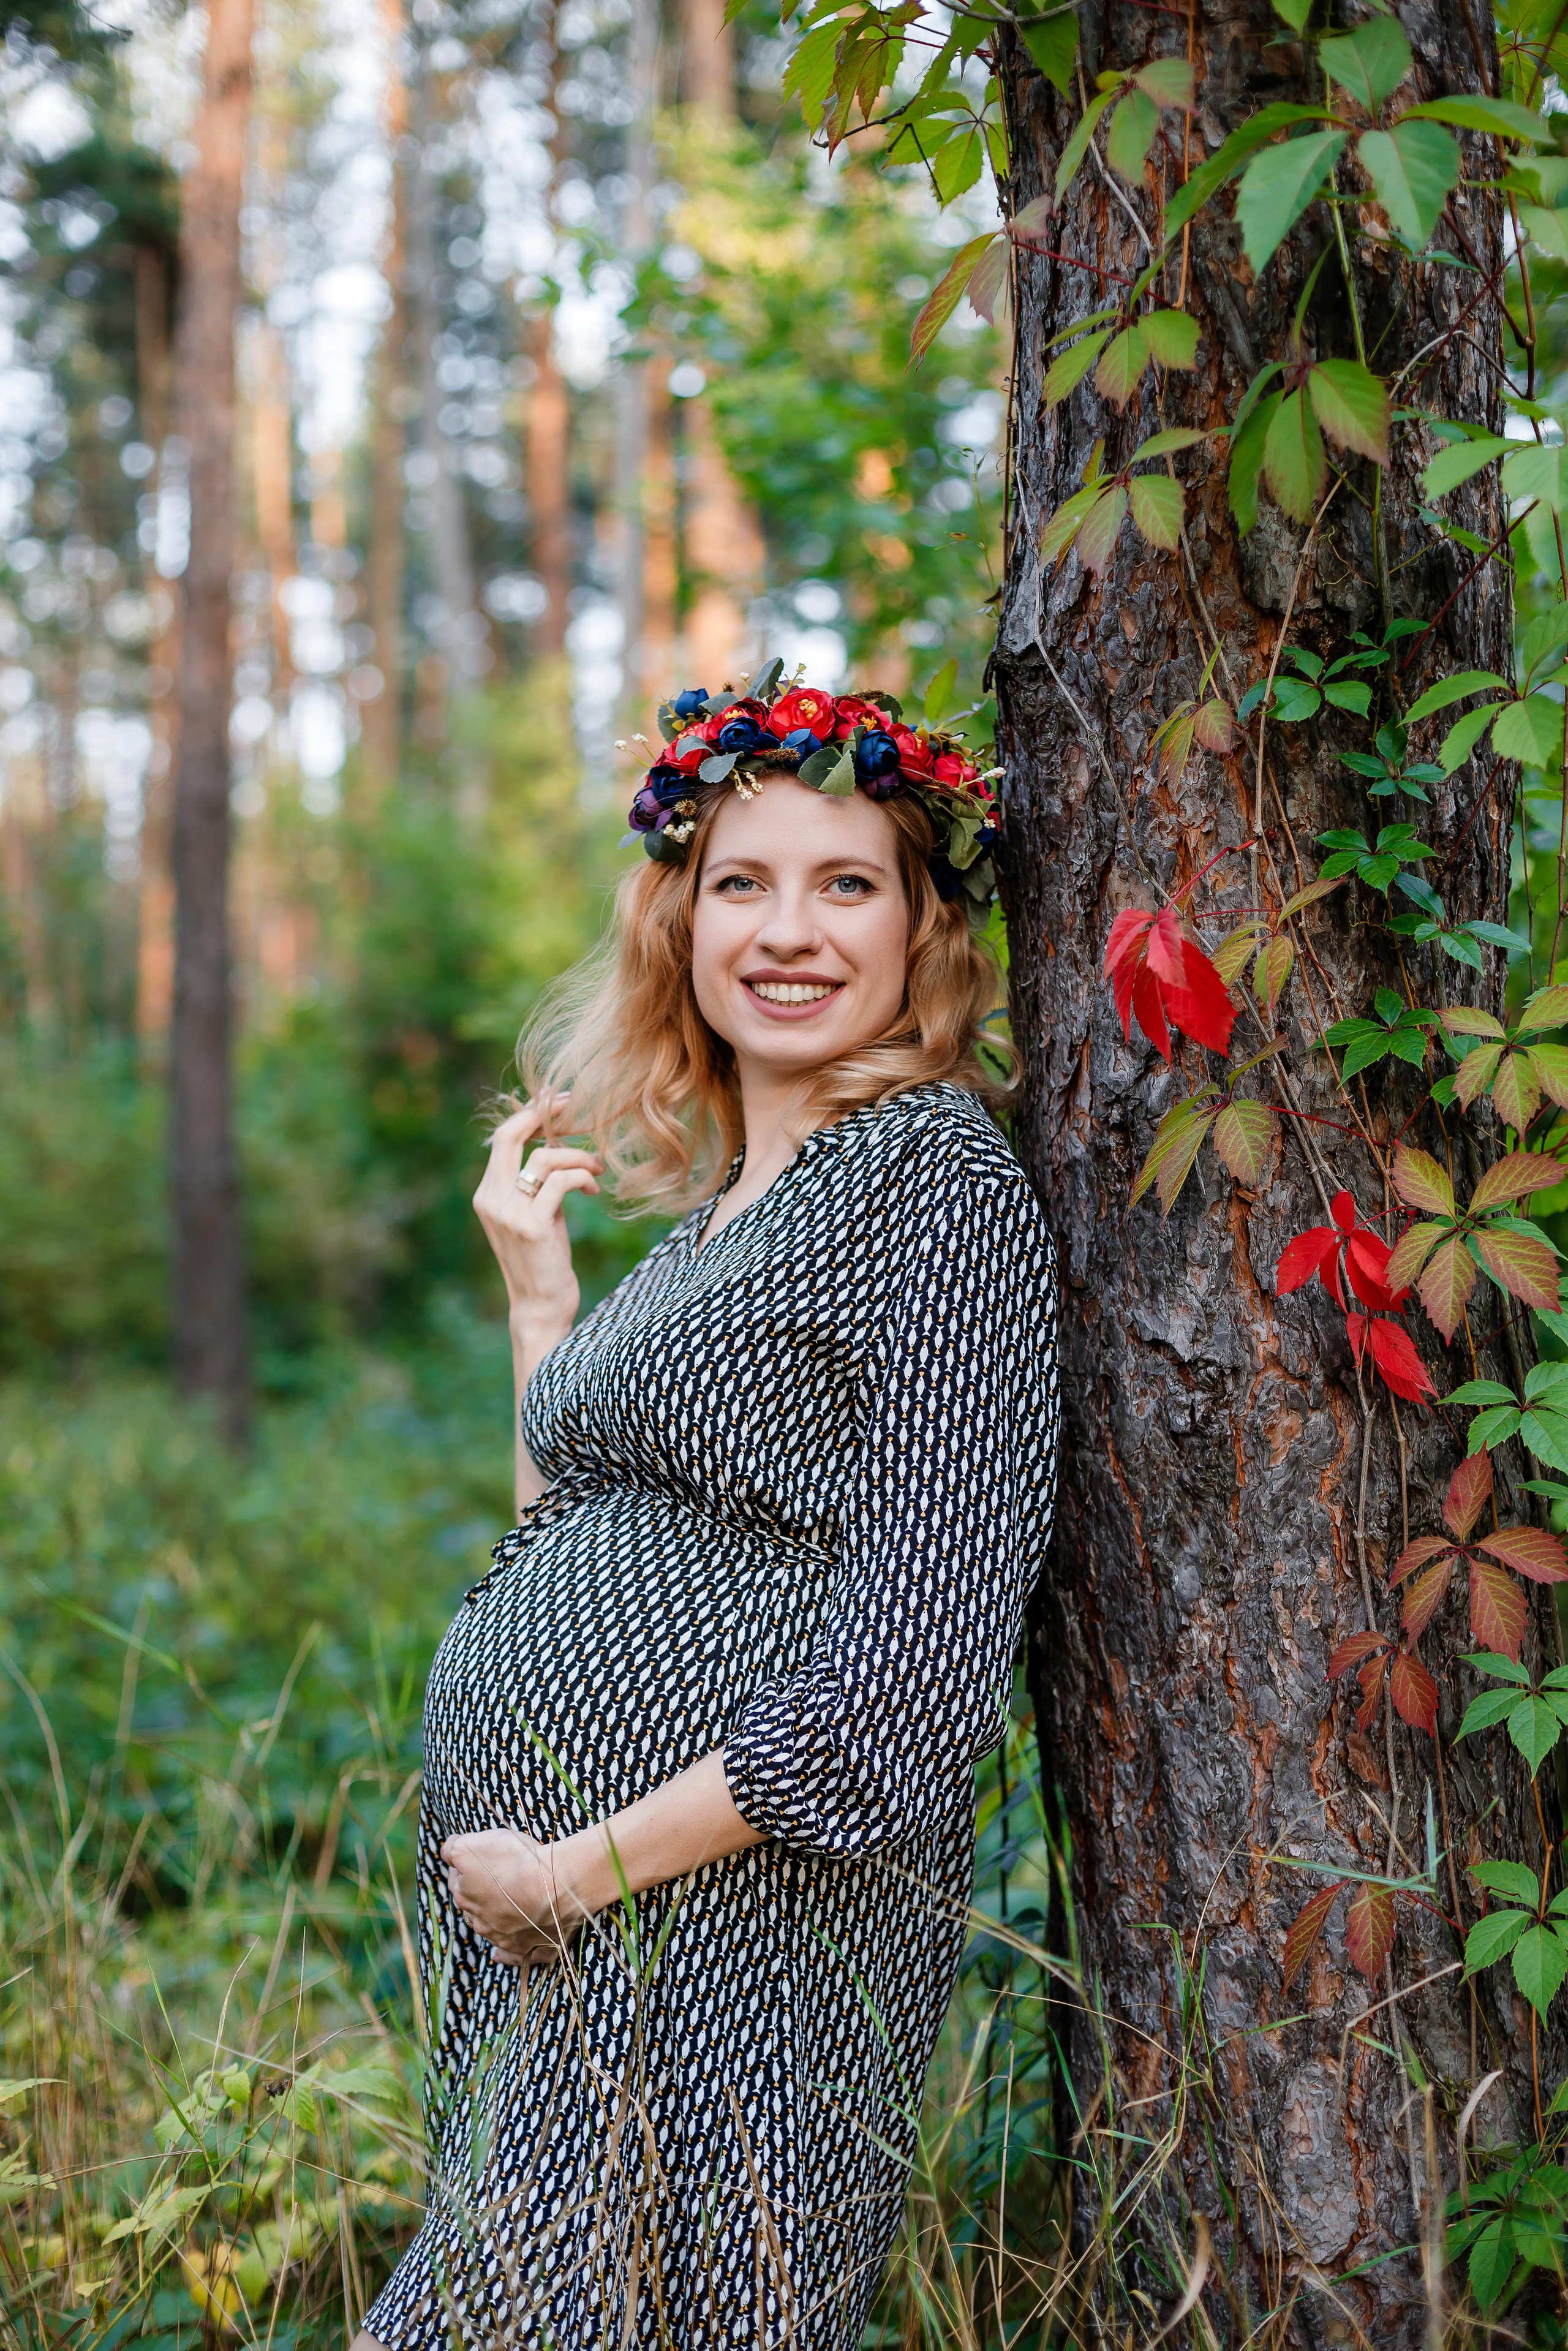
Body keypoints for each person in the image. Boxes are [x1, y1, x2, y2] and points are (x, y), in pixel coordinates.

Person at [355, 667, 1060, 2350]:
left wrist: (577, 1873)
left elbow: (908, 1694)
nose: (790, 930)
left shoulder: (930, 1180)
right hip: (572, 1938)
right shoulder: (711, 1227)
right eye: (744, 881)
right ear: (681, 923)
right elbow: (564, 1532)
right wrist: (542, 1306)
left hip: (740, 1935)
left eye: (847, 884)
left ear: (922, 933)